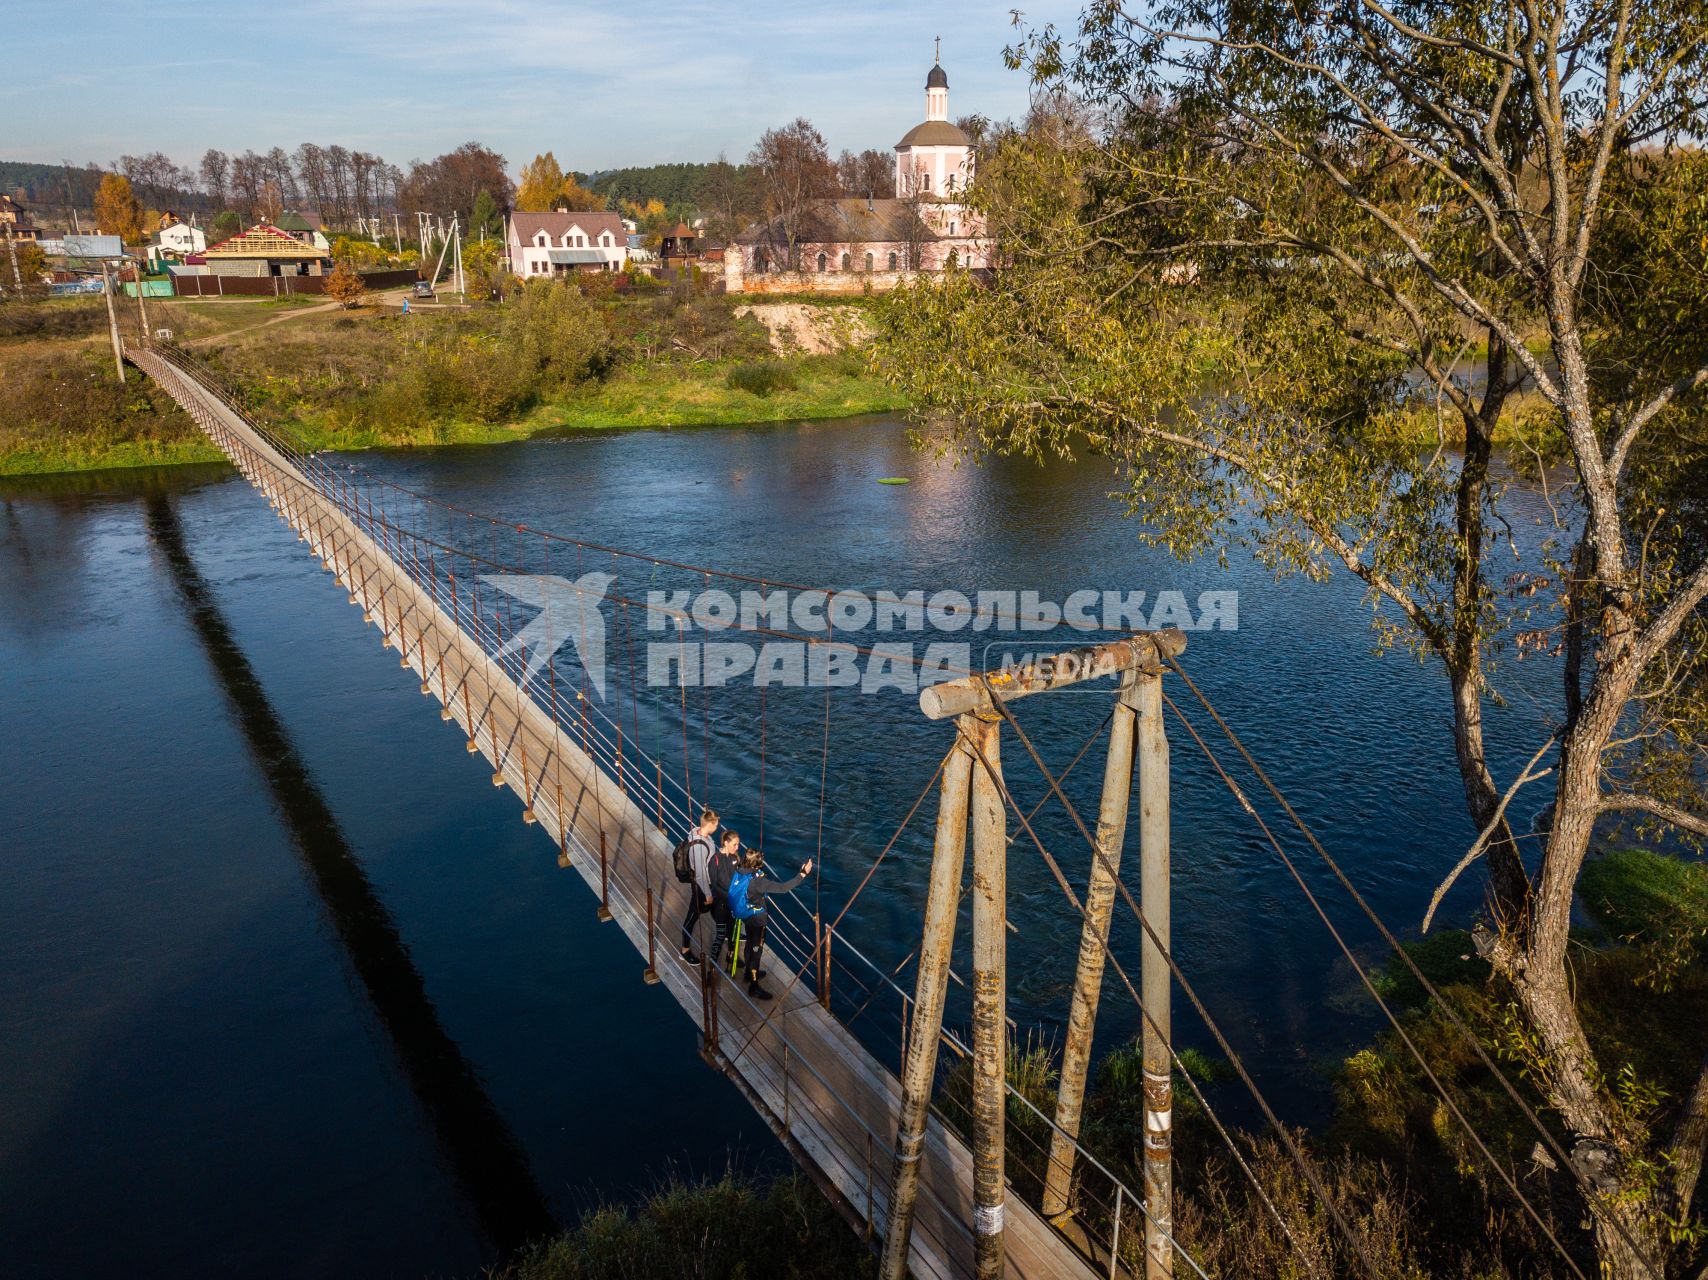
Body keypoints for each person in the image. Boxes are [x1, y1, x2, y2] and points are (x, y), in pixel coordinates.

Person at [725, 847, 813, 1001]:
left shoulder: (740, 869)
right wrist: (802, 874)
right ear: (757, 865)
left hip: (746, 915)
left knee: (750, 945)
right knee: (756, 953)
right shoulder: (759, 882)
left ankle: (748, 972)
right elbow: (783, 888)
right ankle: (753, 986)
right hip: (758, 920)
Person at [677, 808, 720, 964]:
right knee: (692, 917)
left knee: (717, 909)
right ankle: (684, 950)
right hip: (702, 887)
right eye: (716, 825)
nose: (718, 827)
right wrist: (707, 893)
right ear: (709, 824)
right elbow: (701, 873)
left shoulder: (699, 833)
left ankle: (726, 932)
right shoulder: (699, 846)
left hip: (711, 884)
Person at [706, 828, 742, 969]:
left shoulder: (735, 858)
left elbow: (739, 877)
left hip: (733, 905)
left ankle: (731, 956)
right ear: (726, 843)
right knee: (720, 936)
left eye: (738, 844)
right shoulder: (715, 860)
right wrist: (733, 895)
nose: (737, 847)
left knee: (732, 933)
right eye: (735, 844)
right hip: (720, 905)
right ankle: (712, 966)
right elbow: (715, 885)